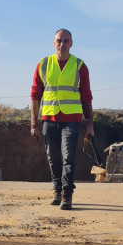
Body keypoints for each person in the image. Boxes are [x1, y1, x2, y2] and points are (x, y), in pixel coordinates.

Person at [30, 28, 94, 210]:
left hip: (71, 120)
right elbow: (35, 95)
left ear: (71, 43)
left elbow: (86, 96)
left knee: (68, 157)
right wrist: (34, 123)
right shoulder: (43, 64)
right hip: (49, 119)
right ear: (53, 42)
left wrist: (90, 124)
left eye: (66, 41)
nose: (62, 44)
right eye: (59, 40)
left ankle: (67, 193)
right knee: (53, 158)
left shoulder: (80, 66)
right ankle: (57, 189)